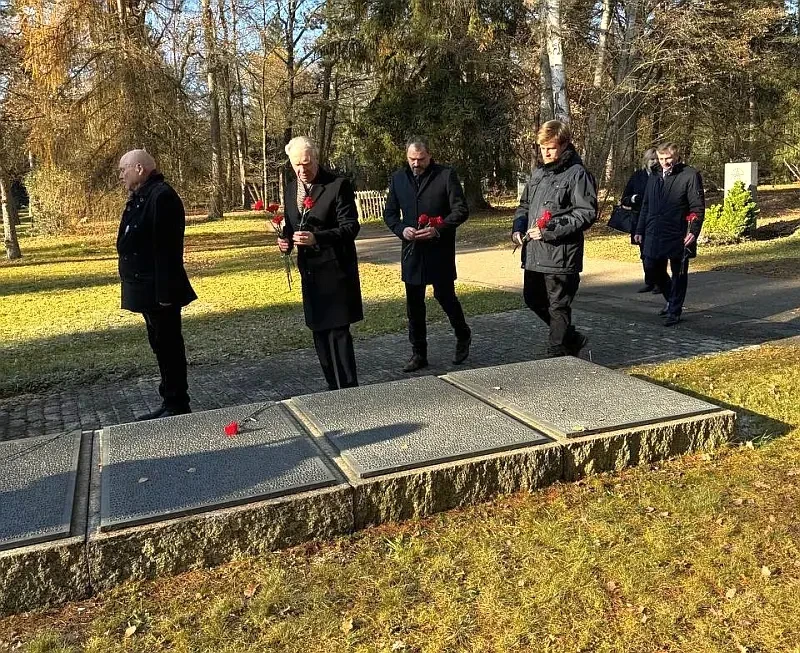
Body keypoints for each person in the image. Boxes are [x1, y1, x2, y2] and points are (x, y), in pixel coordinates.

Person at [116, 149, 197, 420]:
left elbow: (167, 250)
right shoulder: (142, 196)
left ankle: (177, 403)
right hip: (146, 288)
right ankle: (170, 399)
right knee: (160, 345)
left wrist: (165, 293)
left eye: (124, 169)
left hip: (160, 290)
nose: (121, 175)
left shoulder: (161, 197)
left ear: (139, 169)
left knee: (169, 346)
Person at [278, 136, 363, 390]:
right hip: (310, 273)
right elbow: (292, 225)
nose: (302, 170)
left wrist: (318, 238)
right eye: (297, 165)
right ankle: (331, 389)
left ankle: (349, 390)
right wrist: (285, 241)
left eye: (307, 163)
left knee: (338, 332)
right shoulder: (291, 189)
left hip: (336, 270)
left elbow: (350, 227)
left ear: (316, 157)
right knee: (319, 332)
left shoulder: (337, 185)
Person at [383, 137, 471, 373]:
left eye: (421, 159)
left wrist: (438, 228)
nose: (416, 164)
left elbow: (461, 210)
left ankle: (463, 334)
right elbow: (390, 214)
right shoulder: (398, 179)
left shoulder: (445, 175)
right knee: (414, 304)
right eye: (412, 159)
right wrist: (402, 229)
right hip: (412, 251)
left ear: (429, 156)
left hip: (439, 249)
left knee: (445, 296)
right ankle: (418, 353)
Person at [512, 120, 597, 357]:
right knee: (532, 299)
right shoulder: (538, 173)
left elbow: (586, 213)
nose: (546, 153)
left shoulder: (577, 174)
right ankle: (571, 338)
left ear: (565, 145)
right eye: (542, 148)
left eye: (551, 148)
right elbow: (524, 205)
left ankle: (557, 354)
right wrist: (518, 228)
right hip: (535, 252)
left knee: (558, 306)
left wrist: (550, 229)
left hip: (561, 254)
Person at [634, 142, 705, 326]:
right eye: (661, 158)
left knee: (678, 273)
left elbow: (697, 207)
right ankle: (670, 299)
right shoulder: (654, 175)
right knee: (652, 268)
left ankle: (674, 310)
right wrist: (639, 229)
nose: (665, 162)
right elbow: (646, 205)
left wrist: (693, 231)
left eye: (668, 158)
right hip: (654, 231)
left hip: (679, 232)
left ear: (677, 156)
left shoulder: (689, 175)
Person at [621, 148, 659, 293]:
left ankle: (659, 282)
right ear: (646, 161)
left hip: (656, 219)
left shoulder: (661, 176)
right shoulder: (637, 176)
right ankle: (649, 281)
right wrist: (633, 198)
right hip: (639, 220)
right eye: (652, 159)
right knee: (644, 252)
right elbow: (624, 198)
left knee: (655, 252)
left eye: (656, 159)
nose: (654, 162)